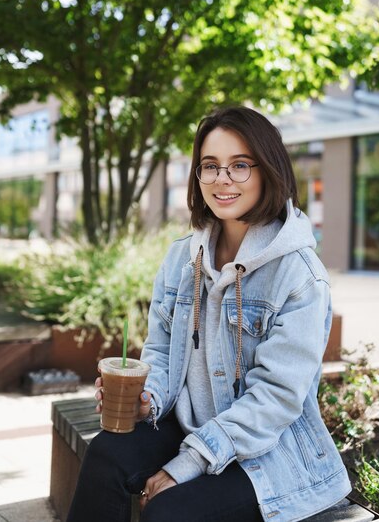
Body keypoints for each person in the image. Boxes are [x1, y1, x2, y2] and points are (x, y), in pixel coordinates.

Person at [67, 106, 351, 522]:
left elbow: (276, 399)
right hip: (189, 423)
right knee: (106, 453)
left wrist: (186, 464)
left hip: (267, 450)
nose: (222, 179)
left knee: (168, 512)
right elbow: (161, 350)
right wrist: (150, 399)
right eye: (210, 166)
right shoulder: (183, 256)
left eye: (239, 166)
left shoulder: (300, 275)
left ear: (268, 170)